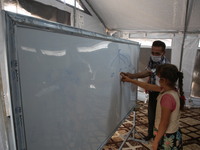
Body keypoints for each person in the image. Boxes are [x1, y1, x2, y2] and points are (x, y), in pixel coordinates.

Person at [121, 64, 185, 149]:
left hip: (166, 137)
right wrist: (130, 80)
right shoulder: (171, 89)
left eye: (158, 77)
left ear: (164, 80)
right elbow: (148, 86)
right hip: (172, 133)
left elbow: (164, 123)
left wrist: (155, 142)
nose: (156, 79)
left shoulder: (167, 98)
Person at [120, 40, 170, 141]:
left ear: (163, 53)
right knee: (151, 114)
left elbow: (154, 86)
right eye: (152, 52)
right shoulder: (152, 60)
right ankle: (150, 134)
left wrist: (131, 79)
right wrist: (132, 75)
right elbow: (148, 72)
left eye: (157, 53)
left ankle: (159, 137)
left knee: (160, 116)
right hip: (153, 92)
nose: (154, 55)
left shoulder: (165, 67)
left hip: (162, 94)